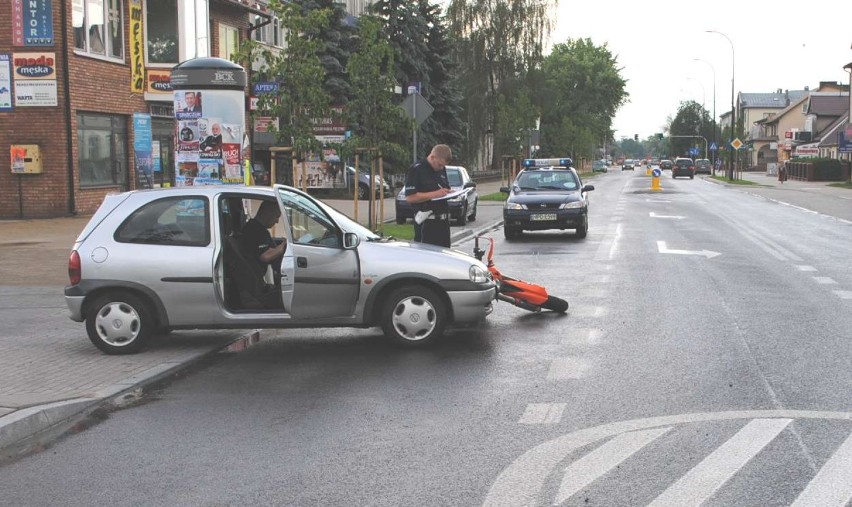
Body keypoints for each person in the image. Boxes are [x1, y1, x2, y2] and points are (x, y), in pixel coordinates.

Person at [404, 144, 453, 247]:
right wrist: (435, 194)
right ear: (432, 157)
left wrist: (448, 192)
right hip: (427, 223)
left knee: (445, 259)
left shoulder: (441, 169)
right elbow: (410, 197)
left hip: (443, 223)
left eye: (443, 166)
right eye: (439, 165)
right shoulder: (417, 169)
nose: (441, 168)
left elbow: (443, 187)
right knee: (428, 258)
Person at [241, 200, 287, 281]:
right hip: (256, 277)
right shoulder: (255, 231)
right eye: (276, 216)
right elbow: (265, 256)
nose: (277, 221)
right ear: (268, 213)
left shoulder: (257, 228)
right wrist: (283, 246)